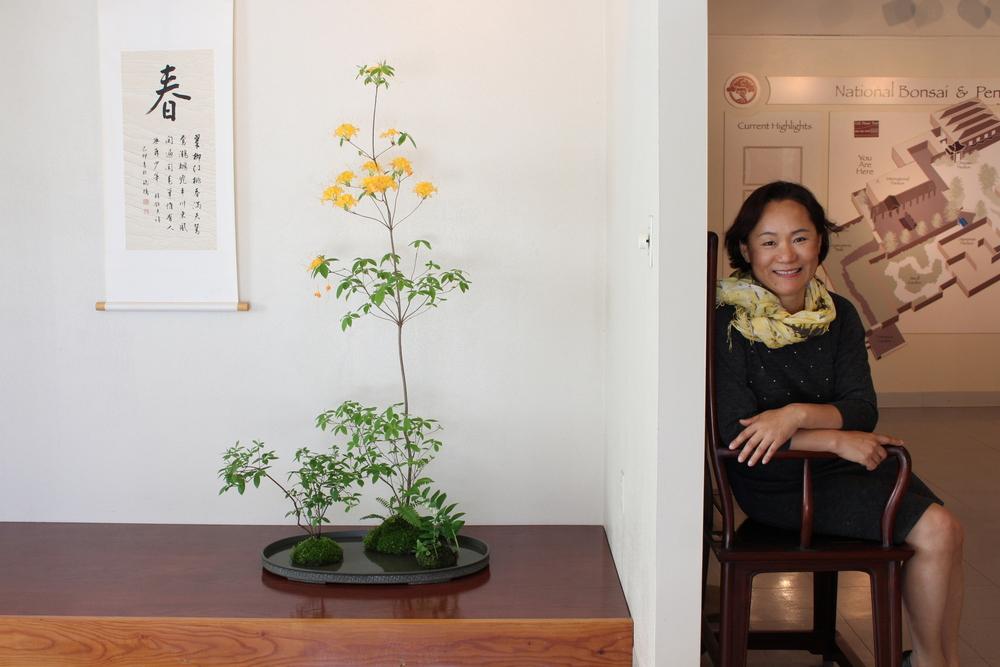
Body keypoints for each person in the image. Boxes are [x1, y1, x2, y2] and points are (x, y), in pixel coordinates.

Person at [714, 181, 964, 667]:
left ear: (820, 242)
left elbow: (861, 407)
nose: (786, 254)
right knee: (934, 529)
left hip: (844, 463)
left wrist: (797, 416)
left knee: (948, 530)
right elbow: (738, 433)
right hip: (780, 481)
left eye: (800, 237)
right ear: (746, 250)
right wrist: (834, 438)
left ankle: (936, 661)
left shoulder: (839, 314)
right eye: (768, 241)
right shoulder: (727, 320)